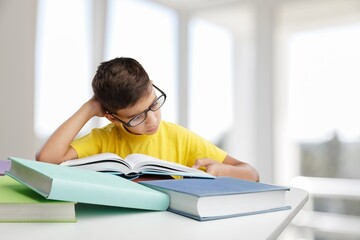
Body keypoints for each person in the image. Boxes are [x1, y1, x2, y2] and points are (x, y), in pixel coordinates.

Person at [36, 57, 259, 182]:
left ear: (152, 86)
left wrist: (224, 171)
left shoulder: (179, 138)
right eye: (136, 117)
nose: (152, 120)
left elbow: (252, 174)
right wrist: (89, 107)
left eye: (153, 104)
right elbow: (46, 158)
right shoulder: (102, 139)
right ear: (112, 118)